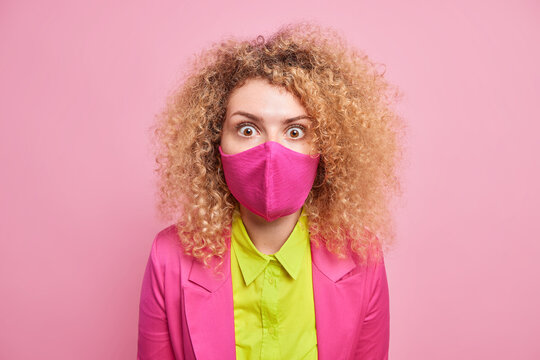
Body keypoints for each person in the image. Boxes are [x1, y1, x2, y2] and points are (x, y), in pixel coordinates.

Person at [137, 21, 405, 360]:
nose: (270, 152)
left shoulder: (362, 256)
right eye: (247, 129)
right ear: (214, 142)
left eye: (295, 132)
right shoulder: (168, 257)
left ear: (327, 148)